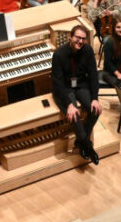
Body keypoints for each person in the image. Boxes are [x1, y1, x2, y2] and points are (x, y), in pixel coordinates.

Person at [51, 24, 102, 164]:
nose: (80, 41)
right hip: (64, 89)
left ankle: (81, 142)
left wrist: (95, 99)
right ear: (70, 37)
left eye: (83, 39)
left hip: (80, 85)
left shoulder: (87, 50)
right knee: (74, 114)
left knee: (96, 110)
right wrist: (69, 104)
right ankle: (87, 146)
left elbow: (93, 75)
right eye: (77, 38)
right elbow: (58, 83)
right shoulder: (59, 54)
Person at [101, 17, 121, 87]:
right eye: (118, 27)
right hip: (109, 72)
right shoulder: (109, 42)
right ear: (114, 28)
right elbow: (107, 62)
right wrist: (118, 74)